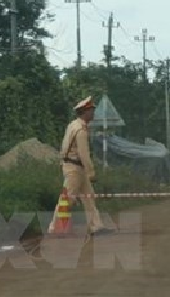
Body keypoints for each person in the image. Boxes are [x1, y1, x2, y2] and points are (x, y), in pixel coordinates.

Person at [48, 96, 114, 236]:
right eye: (92, 110)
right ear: (85, 112)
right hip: (75, 168)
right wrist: (91, 172)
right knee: (67, 199)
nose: (93, 113)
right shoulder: (81, 130)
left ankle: (96, 226)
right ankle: (55, 228)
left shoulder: (73, 125)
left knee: (89, 197)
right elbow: (84, 154)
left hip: (74, 166)